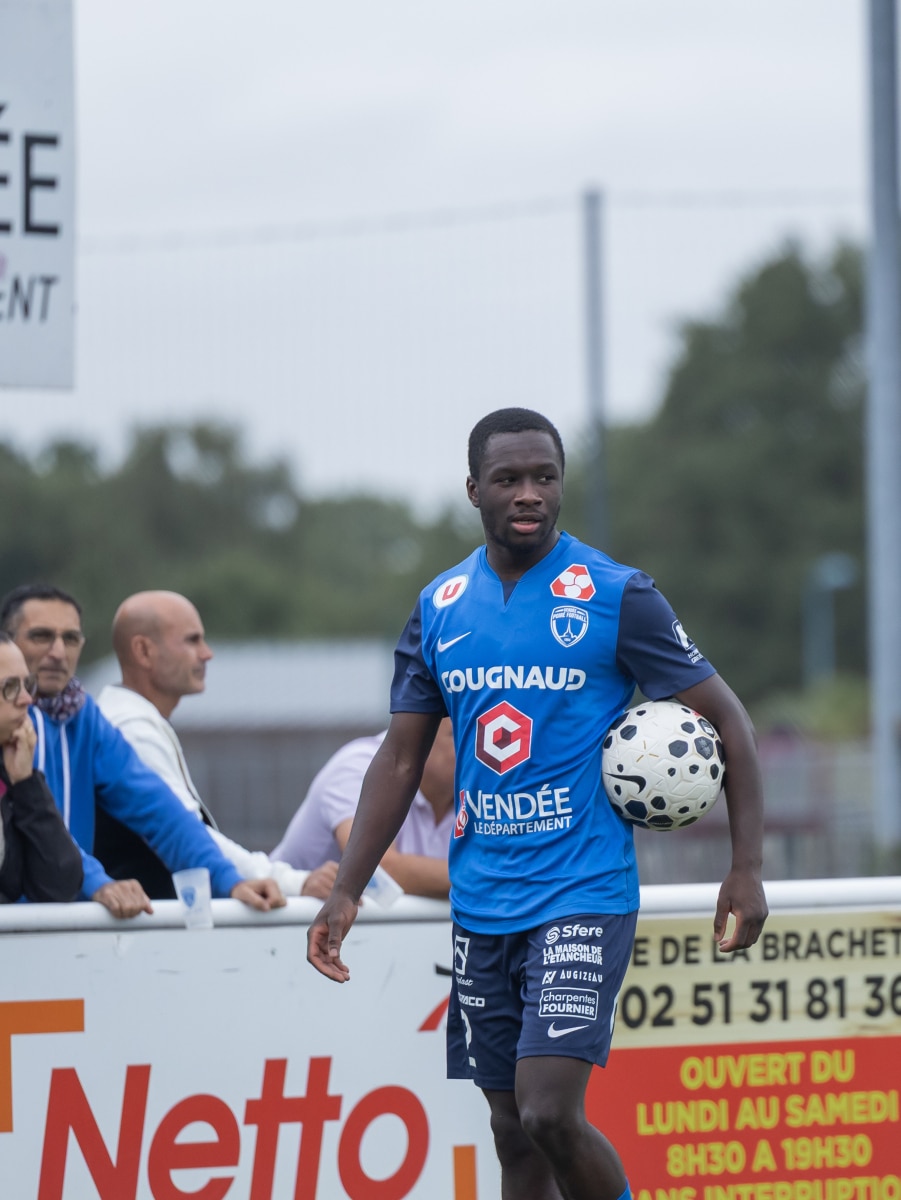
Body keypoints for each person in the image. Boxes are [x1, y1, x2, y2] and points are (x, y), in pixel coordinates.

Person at [308, 407, 768, 1200]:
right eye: (508, 479)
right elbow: (401, 756)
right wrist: (347, 888)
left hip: (582, 890)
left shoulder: (617, 594)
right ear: (473, 490)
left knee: (549, 1112)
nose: (529, 493)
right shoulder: (440, 604)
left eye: (544, 477)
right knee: (511, 1133)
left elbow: (729, 722)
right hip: (482, 901)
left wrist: (746, 868)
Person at [0, 584, 285, 919]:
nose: (59, 652)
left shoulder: (86, 717)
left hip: (61, 920)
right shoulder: (11, 721)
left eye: (71, 638)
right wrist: (97, 883)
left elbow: (159, 809)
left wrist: (229, 880)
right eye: (42, 636)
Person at [96, 590, 337, 900]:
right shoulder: (130, 728)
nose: (207, 653)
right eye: (192, 640)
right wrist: (292, 882)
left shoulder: (130, 720)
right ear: (143, 650)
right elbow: (185, 834)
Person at [273, 717, 455, 899]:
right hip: (281, 910)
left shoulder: (468, 787)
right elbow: (376, 870)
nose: (469, 748)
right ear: (417, 734)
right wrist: (472, 876)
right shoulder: (361, 766)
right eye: (458, 734)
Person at [0, 632, 83, 904]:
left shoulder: (10, 774)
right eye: (10, 687)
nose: (27, 699)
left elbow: (60, 884)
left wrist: (26, 783)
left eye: (28, 685)